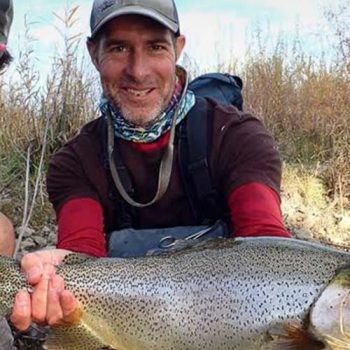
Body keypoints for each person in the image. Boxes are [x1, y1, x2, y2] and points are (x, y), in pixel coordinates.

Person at [10, 0, 291, 334]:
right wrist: (52, 287)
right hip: (124, 328)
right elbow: (80, 257)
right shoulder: (76, 161)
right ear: (92, 53)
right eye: (118, 48)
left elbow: (270, 247)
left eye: (156, 47)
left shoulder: (236, 137)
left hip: (232, 327)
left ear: (178, 49)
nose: (138, 70)